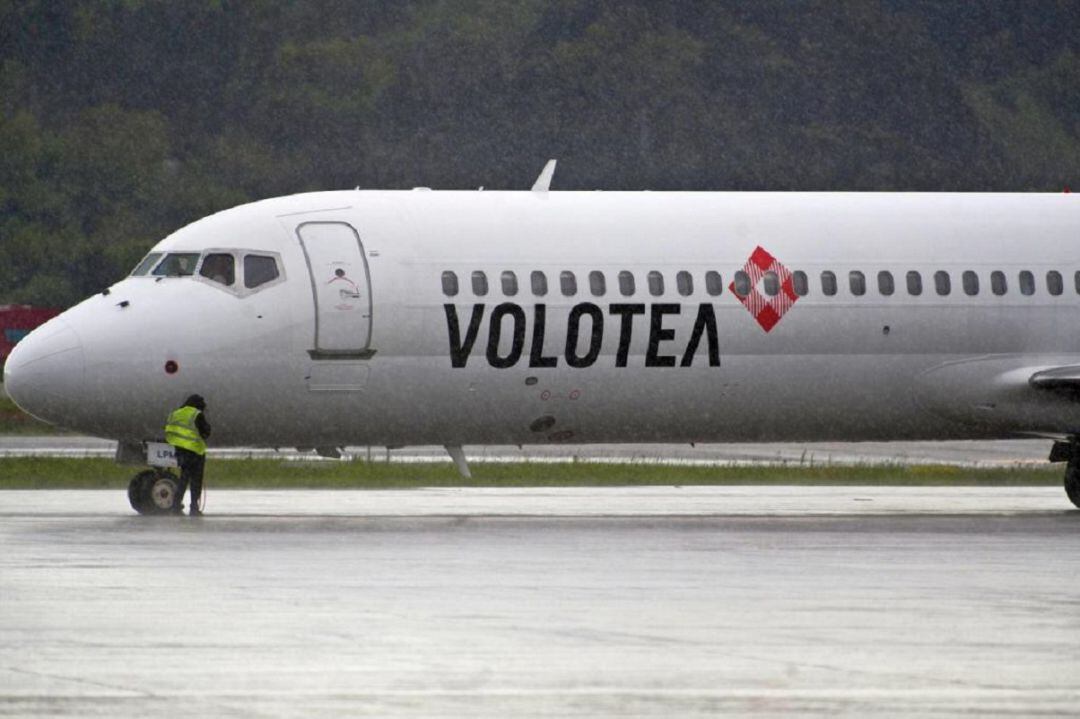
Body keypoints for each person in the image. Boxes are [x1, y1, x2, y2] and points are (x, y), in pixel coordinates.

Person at [164, 394, 211, 516]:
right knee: (196, 481)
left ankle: (176, 505)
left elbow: (168, 430)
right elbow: (205, 432)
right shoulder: (196, 414)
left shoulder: (176, 413)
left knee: (183, 479)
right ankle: (194, 507)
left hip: (180, 450)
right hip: (195, 451)